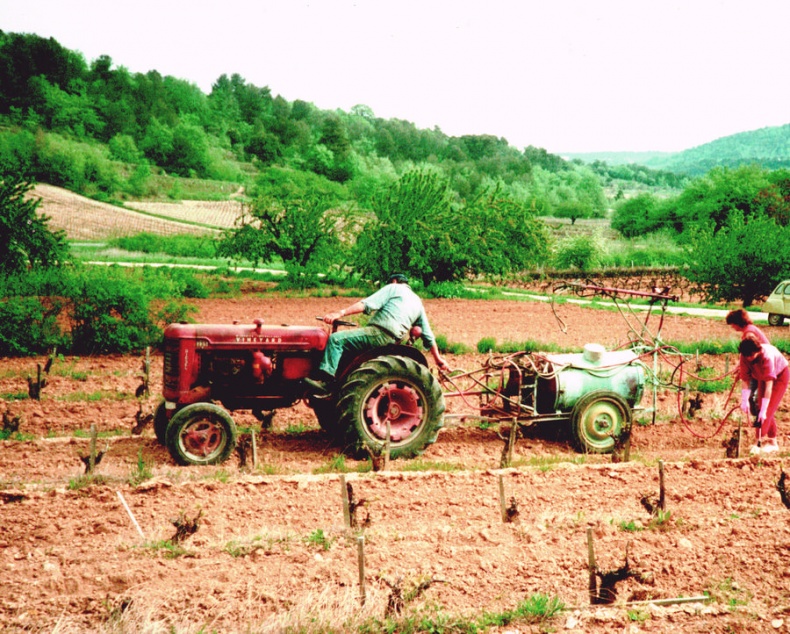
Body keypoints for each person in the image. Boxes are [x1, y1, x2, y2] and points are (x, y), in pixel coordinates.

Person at [304, 273, 450, 394]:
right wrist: (438, 360)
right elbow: (428, 335)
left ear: (393, 281)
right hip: (391, 340)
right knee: (348, 350)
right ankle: (339, 383)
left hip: (379, 333)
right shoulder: (417, 302)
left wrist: (340, 313)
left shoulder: (394, 288)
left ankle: (326, 384)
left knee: (336, 340)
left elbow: (366, 304)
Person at [738, 336, 789, 455]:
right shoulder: (744, 356)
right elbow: (745, 380)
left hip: (780, 376)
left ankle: (758, 442)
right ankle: (772, 441)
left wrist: (764, 409)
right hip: (761, 376)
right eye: (747, 356)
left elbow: (769, 386)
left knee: (766, 409)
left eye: (751, 356)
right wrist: (744, 400)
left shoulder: (767, 357)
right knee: (760, 406)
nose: (749, 359)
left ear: (757, 351)